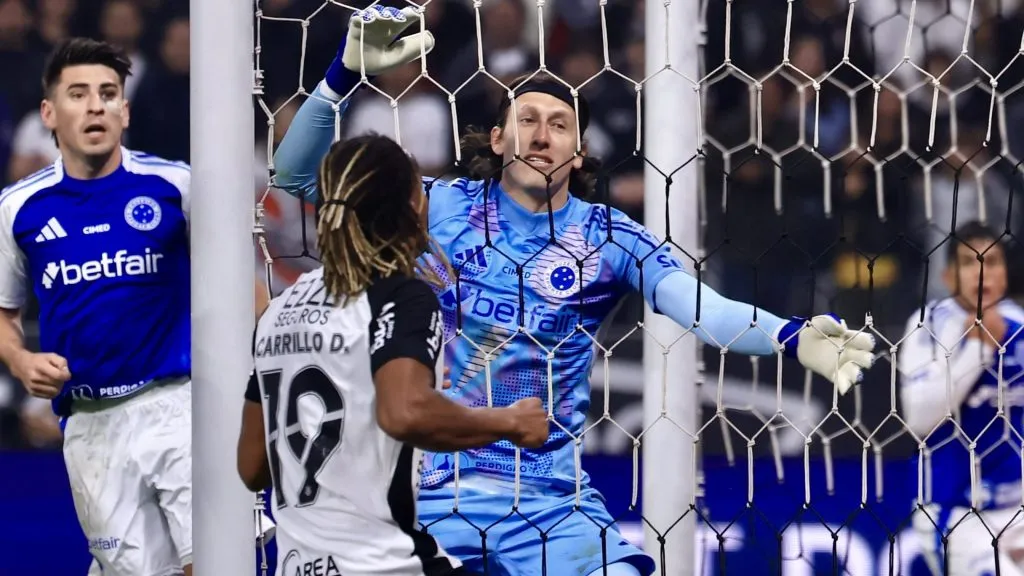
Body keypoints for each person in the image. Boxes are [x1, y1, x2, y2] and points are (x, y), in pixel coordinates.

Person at [270, 6, 878, 575]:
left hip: (553, 508)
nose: (541, 134)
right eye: (526, 121)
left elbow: (704, 311)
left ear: (579, 151)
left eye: (559, 125)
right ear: (499, 141)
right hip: (432, 503)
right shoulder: (438, 207)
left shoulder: (610, 238)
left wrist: (791, 336)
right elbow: (297, 174)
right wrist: (341, 77)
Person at [236, 133, 551, 575]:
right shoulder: (400, 298)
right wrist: (509, 423)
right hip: (384, 565)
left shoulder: (278, 310)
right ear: (410, 207)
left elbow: (252, 466)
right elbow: (404, 413)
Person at [0, 38, 193, 575]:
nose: (95, 106)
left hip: (181, 405)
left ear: (124, 111)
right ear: (49, 113)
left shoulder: (175, 186)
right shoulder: (19, 208)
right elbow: (3, 313)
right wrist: (21, 361)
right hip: (91, 423)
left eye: (109, 94)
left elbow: (236, 283)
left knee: (218, 561)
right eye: (78, 94)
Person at [898, 221, 1024, 576]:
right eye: (970, 262)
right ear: (949, 276)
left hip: (1017, 510)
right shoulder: (929, 325)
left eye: (993, 261)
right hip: (953, 511)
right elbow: (919, 419)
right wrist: (978, 349)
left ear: (1005, 272)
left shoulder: (1021, 324)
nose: (982, 272)